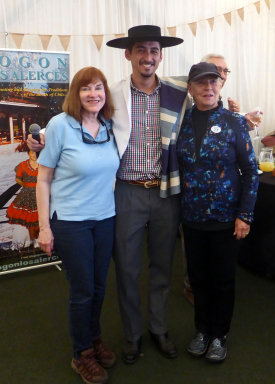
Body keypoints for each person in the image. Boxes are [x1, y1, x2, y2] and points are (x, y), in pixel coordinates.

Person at [105, 25, 190, 363]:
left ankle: (158, 327)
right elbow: (79, 120)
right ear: (128, 54)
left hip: (166, 193)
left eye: (154, 50)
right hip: (126, 192)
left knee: (162, 265)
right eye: (141, 50)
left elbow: (209, 106)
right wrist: (43, 138)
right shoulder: (111, 95)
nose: (148, 57)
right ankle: (132, 335)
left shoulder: (176, 94)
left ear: (160, 55)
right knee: (126, 268)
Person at [36, 67, 119, 384]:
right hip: (70, 221)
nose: (93, 94)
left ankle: (93, 338)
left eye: (99, 87)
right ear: (75, 93)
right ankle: (81, 352)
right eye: (86, 88)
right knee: (83, 290)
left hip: (105, 218)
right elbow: (43, 179)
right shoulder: (60, 126)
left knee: (99, 287)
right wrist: (44, 227)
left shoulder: (109, 125)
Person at [176, 62, 258, 363]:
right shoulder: (181, 123)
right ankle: (202, 330)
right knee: (198, 278)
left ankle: (220, 334)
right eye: (201, 83)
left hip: (226, 219)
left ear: (220, 85)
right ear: (191, 88)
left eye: (214, 82)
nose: (208, 88)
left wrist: (245, 215)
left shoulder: (234, 122)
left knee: (222, 279)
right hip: (192, 217)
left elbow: (250, 170)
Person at [6, 141, 39, 243]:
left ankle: (40, 240)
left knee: (41, 219)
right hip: (27, 195)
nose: (33, 155)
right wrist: (26, 186)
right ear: (28, 153)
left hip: (41, 194)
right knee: (30, 220)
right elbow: (18, 179)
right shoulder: (23, 165)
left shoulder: (43, 165)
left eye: (36, 153)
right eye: (31, 153)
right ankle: (33, 241)